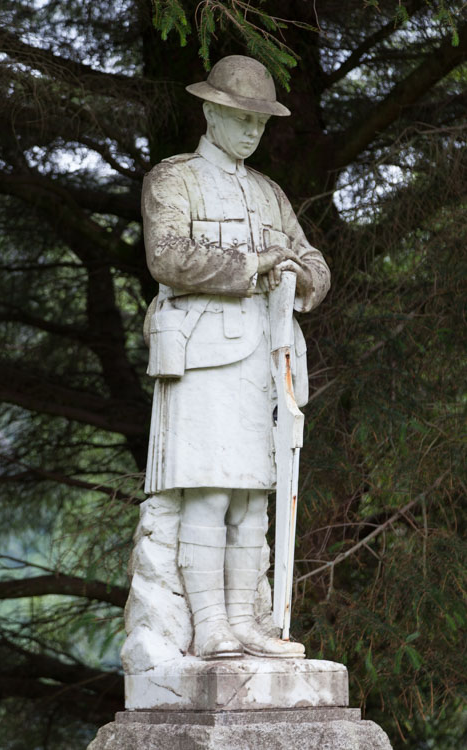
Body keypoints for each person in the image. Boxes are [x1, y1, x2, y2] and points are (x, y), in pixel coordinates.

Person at [142, 55, 330, 660]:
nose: (252, 131)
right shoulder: (175, 179)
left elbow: (314, 263)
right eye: (240, 117)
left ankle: (246, 622)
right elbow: (167, 256)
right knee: (211, 492)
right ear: (210, 111)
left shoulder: (269, 193)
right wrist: (253, 266)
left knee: (252, 496)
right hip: (203, 354)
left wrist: (304, 275)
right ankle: (208, 625)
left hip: (262, 360)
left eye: (260, 122)